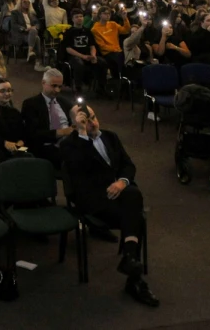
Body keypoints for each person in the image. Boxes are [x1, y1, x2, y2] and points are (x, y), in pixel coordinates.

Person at [60, 103, 159, 307]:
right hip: (91, 200)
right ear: (75, 124)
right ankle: (134, 276)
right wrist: (81, 134)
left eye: (94, 117)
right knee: (135, 214)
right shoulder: (70, 145)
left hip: (116, 194)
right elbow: (79, 169)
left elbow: (128, 164)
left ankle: (130, 262)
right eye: (86, 121)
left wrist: (122, 181)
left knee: (132, 193)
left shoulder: (110, 137)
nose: (93, 123)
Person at [21, 68, 75, 169]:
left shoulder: (65, 102)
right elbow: (32, 134)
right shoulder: (31, 104)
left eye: (60, 86)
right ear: (43, 83)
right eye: (54, 86)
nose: (57, 90)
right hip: (46, 147)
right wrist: (62, 132)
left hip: (69, 143)